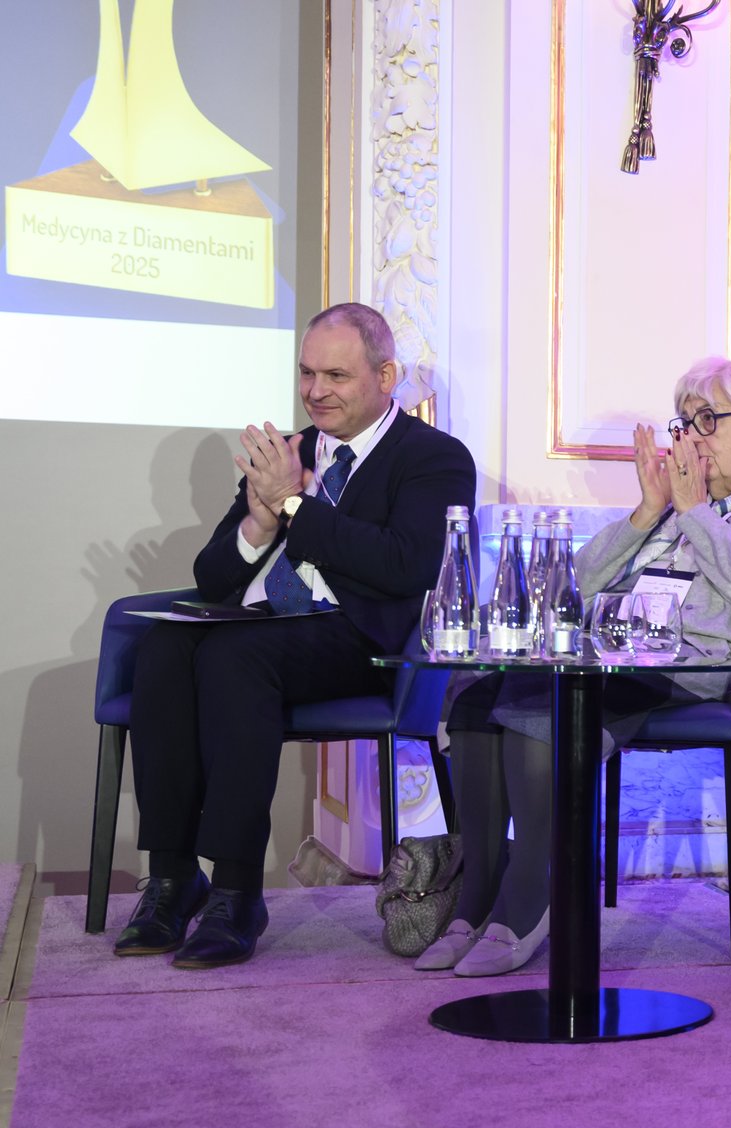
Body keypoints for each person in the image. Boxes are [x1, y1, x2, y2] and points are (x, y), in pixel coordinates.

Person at [420, 358, 731, 975]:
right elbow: (568, 590)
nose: (690, 438)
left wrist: (695, 515)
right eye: (683, 423)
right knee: (478, 695)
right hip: (619, 650)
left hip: (697, 666)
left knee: (539, 708)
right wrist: (647, 512)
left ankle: (528, 899)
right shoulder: (677, 499)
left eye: (708, 420)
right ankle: (475, 900)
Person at [114, 303, 477, 968]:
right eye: (307, 373)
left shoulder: (434, 458)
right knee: (163, 646)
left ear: (385, 376)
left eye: (335, 375)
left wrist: (291, 505)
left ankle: (235, 893)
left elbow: (409, 564)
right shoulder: (289, 452)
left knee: (232, 656)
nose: (315, 391)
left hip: (359, 640)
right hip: (262, 626)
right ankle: (172, 877)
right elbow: (211, 577)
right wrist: (257, 524)